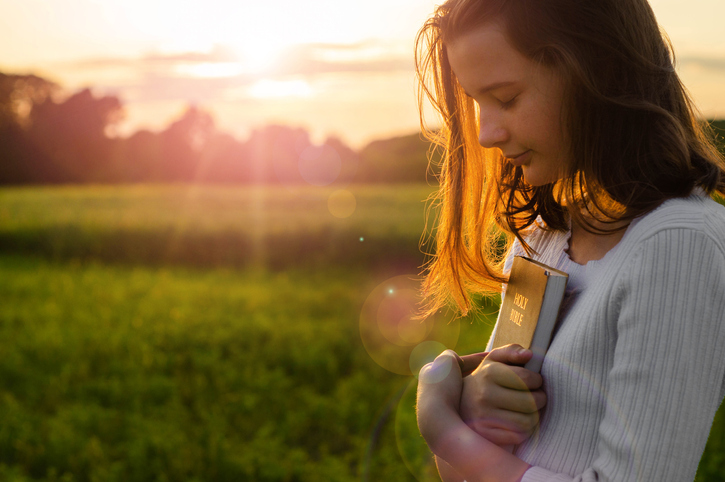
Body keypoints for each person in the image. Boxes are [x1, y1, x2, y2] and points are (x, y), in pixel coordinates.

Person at [413, 0, 725, 481]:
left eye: (506, 97)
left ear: (596, 72)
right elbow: (467, 472)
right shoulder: (543, 241)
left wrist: (445, 427)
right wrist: (475, 405)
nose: (486, 134)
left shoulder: (678, 246)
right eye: (477, 103)